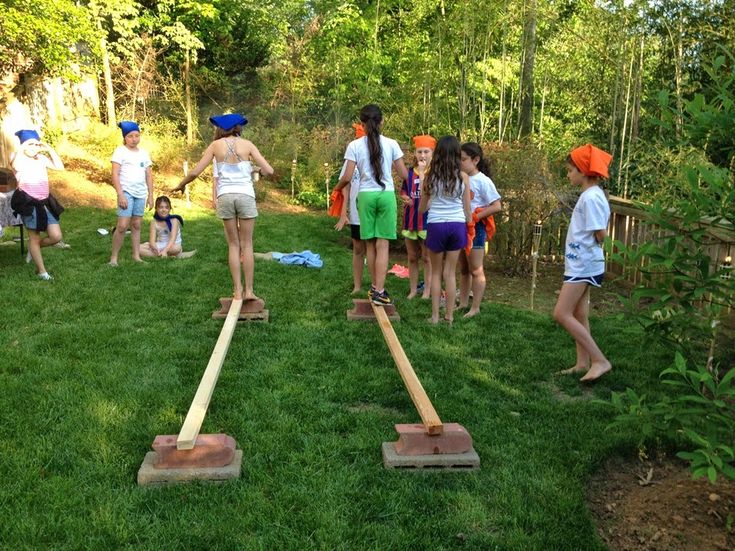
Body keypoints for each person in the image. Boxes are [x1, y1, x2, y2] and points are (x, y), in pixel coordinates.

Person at [172, 113, 274, 301]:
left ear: (220, 128)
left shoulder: (215, 146)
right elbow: (269, 170)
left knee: (233, 245)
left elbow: (195, 172)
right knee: (247, 244)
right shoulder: (248, 145)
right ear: (238, 128)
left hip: (225, 197)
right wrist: (257, 170)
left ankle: (237, 291)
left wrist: (181, 184)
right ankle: (249, 291)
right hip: (245, 195)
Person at [336, 104, 409, 305]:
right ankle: (380, 290)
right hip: (386, 195)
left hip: (365, 196)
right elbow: (404, 174)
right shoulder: (392, 144)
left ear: (362, 124)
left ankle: (373, 288)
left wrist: (338, 187)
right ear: (382, 122)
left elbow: (348, 176)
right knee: (383, 245)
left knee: (370, 245)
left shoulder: (354, 145)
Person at [553, 144, 613, 382]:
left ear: (583, 170)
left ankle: (600, 360)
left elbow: (601, 233)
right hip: (580, 264)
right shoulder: (589, 196)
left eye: (570, 170)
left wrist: (587, 252)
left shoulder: (592, 198)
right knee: (578, 314)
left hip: (584, 266)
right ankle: (582, 363)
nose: (568, 175)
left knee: (561, 313)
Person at [419, 136, 471, 324]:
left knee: (435, 272)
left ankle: (434, 317)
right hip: (457, 225)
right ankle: (448, 317)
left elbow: (422, 209)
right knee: (450, 273)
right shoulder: (463, 177)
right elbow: (468, 210)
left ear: (437, 153)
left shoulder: (430, 177)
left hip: (436, 224)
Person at [9, 129, 65, 280]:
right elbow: (16, 165)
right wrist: (23, 146)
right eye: (30, 144)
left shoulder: (40, 158)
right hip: (29, 203)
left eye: (36, 144)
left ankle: (34, 249)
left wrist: (48, 149)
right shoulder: (17, 158)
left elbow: (60, 167)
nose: (34, 147)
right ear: (23, 146)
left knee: (56, 236)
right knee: (34, 237)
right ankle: (42, 272)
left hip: (45, 202)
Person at [458, 142, 502, 317]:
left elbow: (497, 206)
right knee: (463, 269)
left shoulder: (484, 181)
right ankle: (462, 303)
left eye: (463, 159)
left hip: (476, 229)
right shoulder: (460, 178)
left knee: (476, 269)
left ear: (475, 160)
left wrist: (476, 216)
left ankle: (475, 307)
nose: (460, 162)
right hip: (460, 227)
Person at [109, 121, 154, 266]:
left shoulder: (143, 153)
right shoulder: (120, 152)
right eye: (130, 136)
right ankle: (113, 259)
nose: (134, 139)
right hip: (126, 192)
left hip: (141, 193)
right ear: (125, 138)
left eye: (137, 136)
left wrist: (151, 195)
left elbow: (149, 175)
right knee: (122, 225)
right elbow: (115, 174)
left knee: (136, 224)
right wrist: (120, 194)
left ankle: (136, 256)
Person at [400, 135, 435, 299]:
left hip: (427, 221)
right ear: (415, 153)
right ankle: (413, 289)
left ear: (432, 153)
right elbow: (404, 191)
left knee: (427, 258)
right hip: (410, 220)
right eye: (419, 151)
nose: (422, 155)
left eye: (426, 152)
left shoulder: (434, 173)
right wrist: (405, 197)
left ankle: (427, 291)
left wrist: (422, 173)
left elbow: (429, 192)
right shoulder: (408, 173)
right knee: (412, 257)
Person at [334, 123, 367, 294]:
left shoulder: (375, 155)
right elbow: (345, 185)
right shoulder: (351, 158)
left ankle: (377, 287)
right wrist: (343, 213)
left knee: (374, 248)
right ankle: (357, 286)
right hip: (356, 212)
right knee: (358, 248)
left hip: (371, 210)